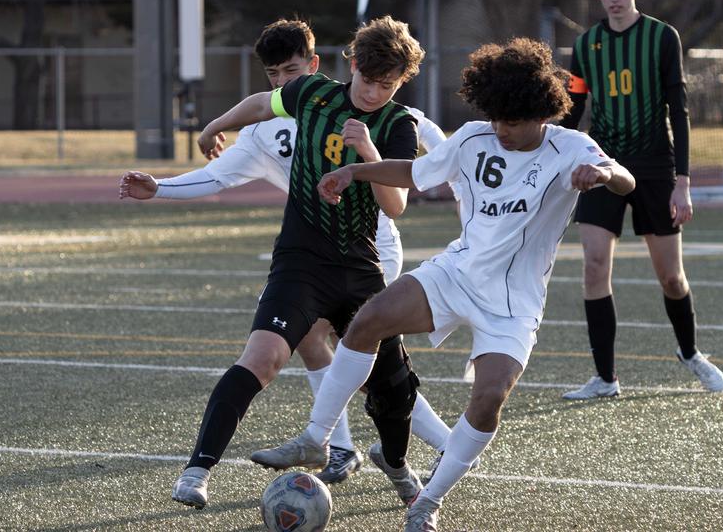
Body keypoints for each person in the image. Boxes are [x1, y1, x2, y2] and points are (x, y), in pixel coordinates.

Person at [249, 38, 635, 531]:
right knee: (367, 321)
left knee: (490, 395)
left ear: (542, 112)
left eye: (513, 122)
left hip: (512, 303)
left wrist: (601, 172)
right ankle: (316, 436)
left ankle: (427, 503)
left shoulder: (571, 147)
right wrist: (355, 170)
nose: (502, 130)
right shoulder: (475, 136)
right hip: (455, 274)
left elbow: (626, 180)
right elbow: (415, 173)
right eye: (496, 118)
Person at [127, 16, 432, 509]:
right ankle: (196, 471)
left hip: (361, 269)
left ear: (401, 82)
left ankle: (394, 463)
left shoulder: (398, 125)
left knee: (392, 388)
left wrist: (366, 151)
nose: (374, 93)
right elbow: (261, 104)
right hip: (301, 261)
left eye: (387, 85)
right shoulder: (311, 92)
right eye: (367, 80)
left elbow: (395, 206)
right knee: (262, 358)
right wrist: (216, 125)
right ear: (350, 65)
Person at [559, 0, 723, 400]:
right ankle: (606, 378)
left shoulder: (662, 37)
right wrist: (550, 154)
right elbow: (574, 109)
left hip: (654, 167)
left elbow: (680, 109)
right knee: (594, 266)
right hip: (603, 164)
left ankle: (690, 352)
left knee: (671, 277)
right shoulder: (586, 45)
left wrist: (682, 181)